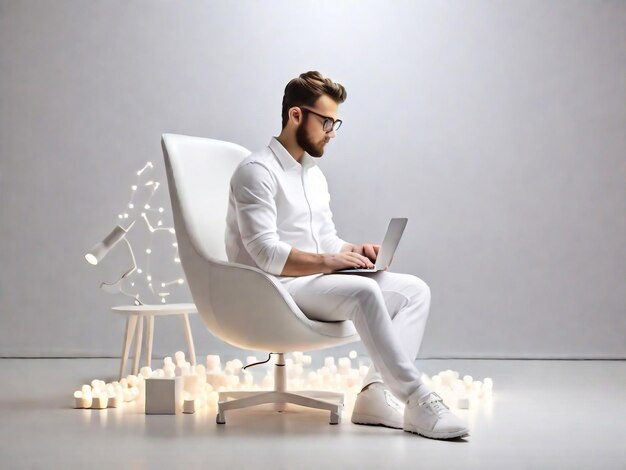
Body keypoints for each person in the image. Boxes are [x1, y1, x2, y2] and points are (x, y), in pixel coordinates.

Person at [225, 71, 469, 440]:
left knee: (415, 291)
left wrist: (353, 251)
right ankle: (417, 399)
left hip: (314, 283)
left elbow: (325, 240)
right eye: (326, 121)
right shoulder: (255, 172)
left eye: (335, 122)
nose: (332, 131)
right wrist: (330, 262)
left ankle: (374, 395)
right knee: (364, 292)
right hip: (273, 289)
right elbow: (265, 254)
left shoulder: (313, 175)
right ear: (296, 116)